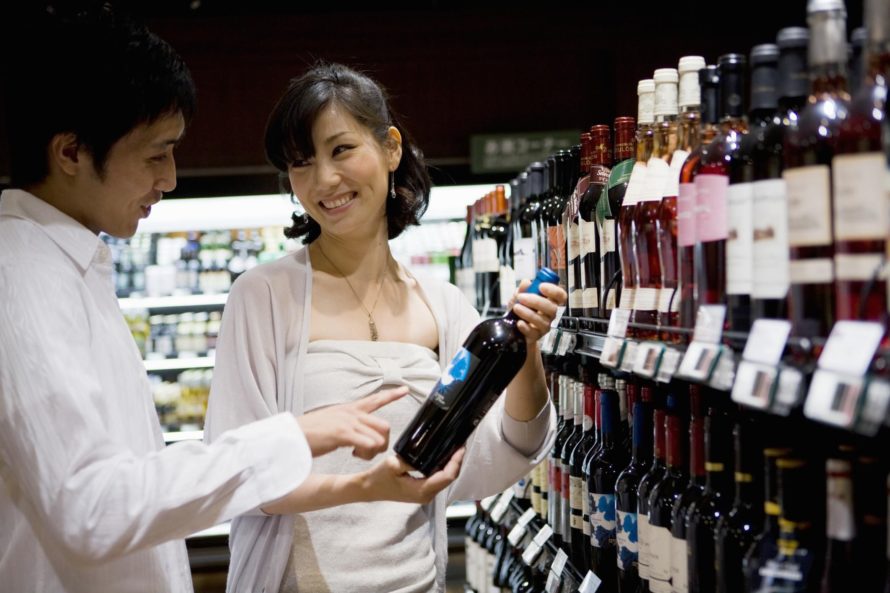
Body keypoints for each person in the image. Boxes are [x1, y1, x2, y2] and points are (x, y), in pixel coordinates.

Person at [0, 8, 460, 593]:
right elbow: (90, 506)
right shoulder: (22, 275)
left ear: (392, 149)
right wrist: (294, 437)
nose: (169, 178)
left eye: (342, 150)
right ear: (70, 153)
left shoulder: (75, 265)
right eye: (155, 154)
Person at [204, 61, 567, 592]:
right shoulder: (263, 295)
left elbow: (499, 454)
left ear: (391, 148)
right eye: (301, 164)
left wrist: (526, 350)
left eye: (341, 149)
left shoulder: (442, 306)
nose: (324, 181)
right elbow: (238, 474)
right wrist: (363, 486)